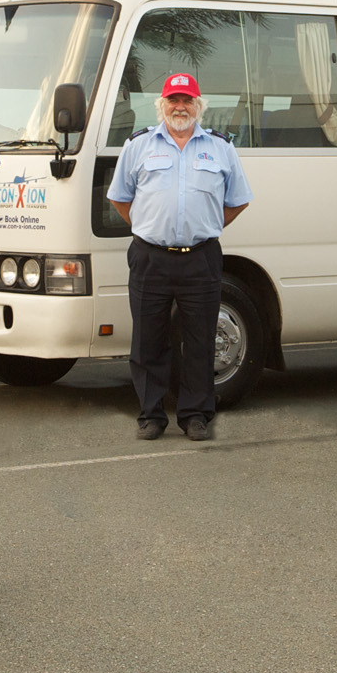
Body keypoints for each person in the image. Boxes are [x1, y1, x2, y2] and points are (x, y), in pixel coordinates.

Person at [106, 71, 253, 440]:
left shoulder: (221, 148)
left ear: (198, 106)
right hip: (149, 257)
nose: (180, 106)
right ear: (162, 105)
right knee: (148, 340)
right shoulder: (138, 146)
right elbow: (120, 198)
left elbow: (237, 200)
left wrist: (205, 225)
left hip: (201, 257)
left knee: (201, 340)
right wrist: (146, 225)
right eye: (174, 99)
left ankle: (196, 415)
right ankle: (151, 415)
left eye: (187, 100)